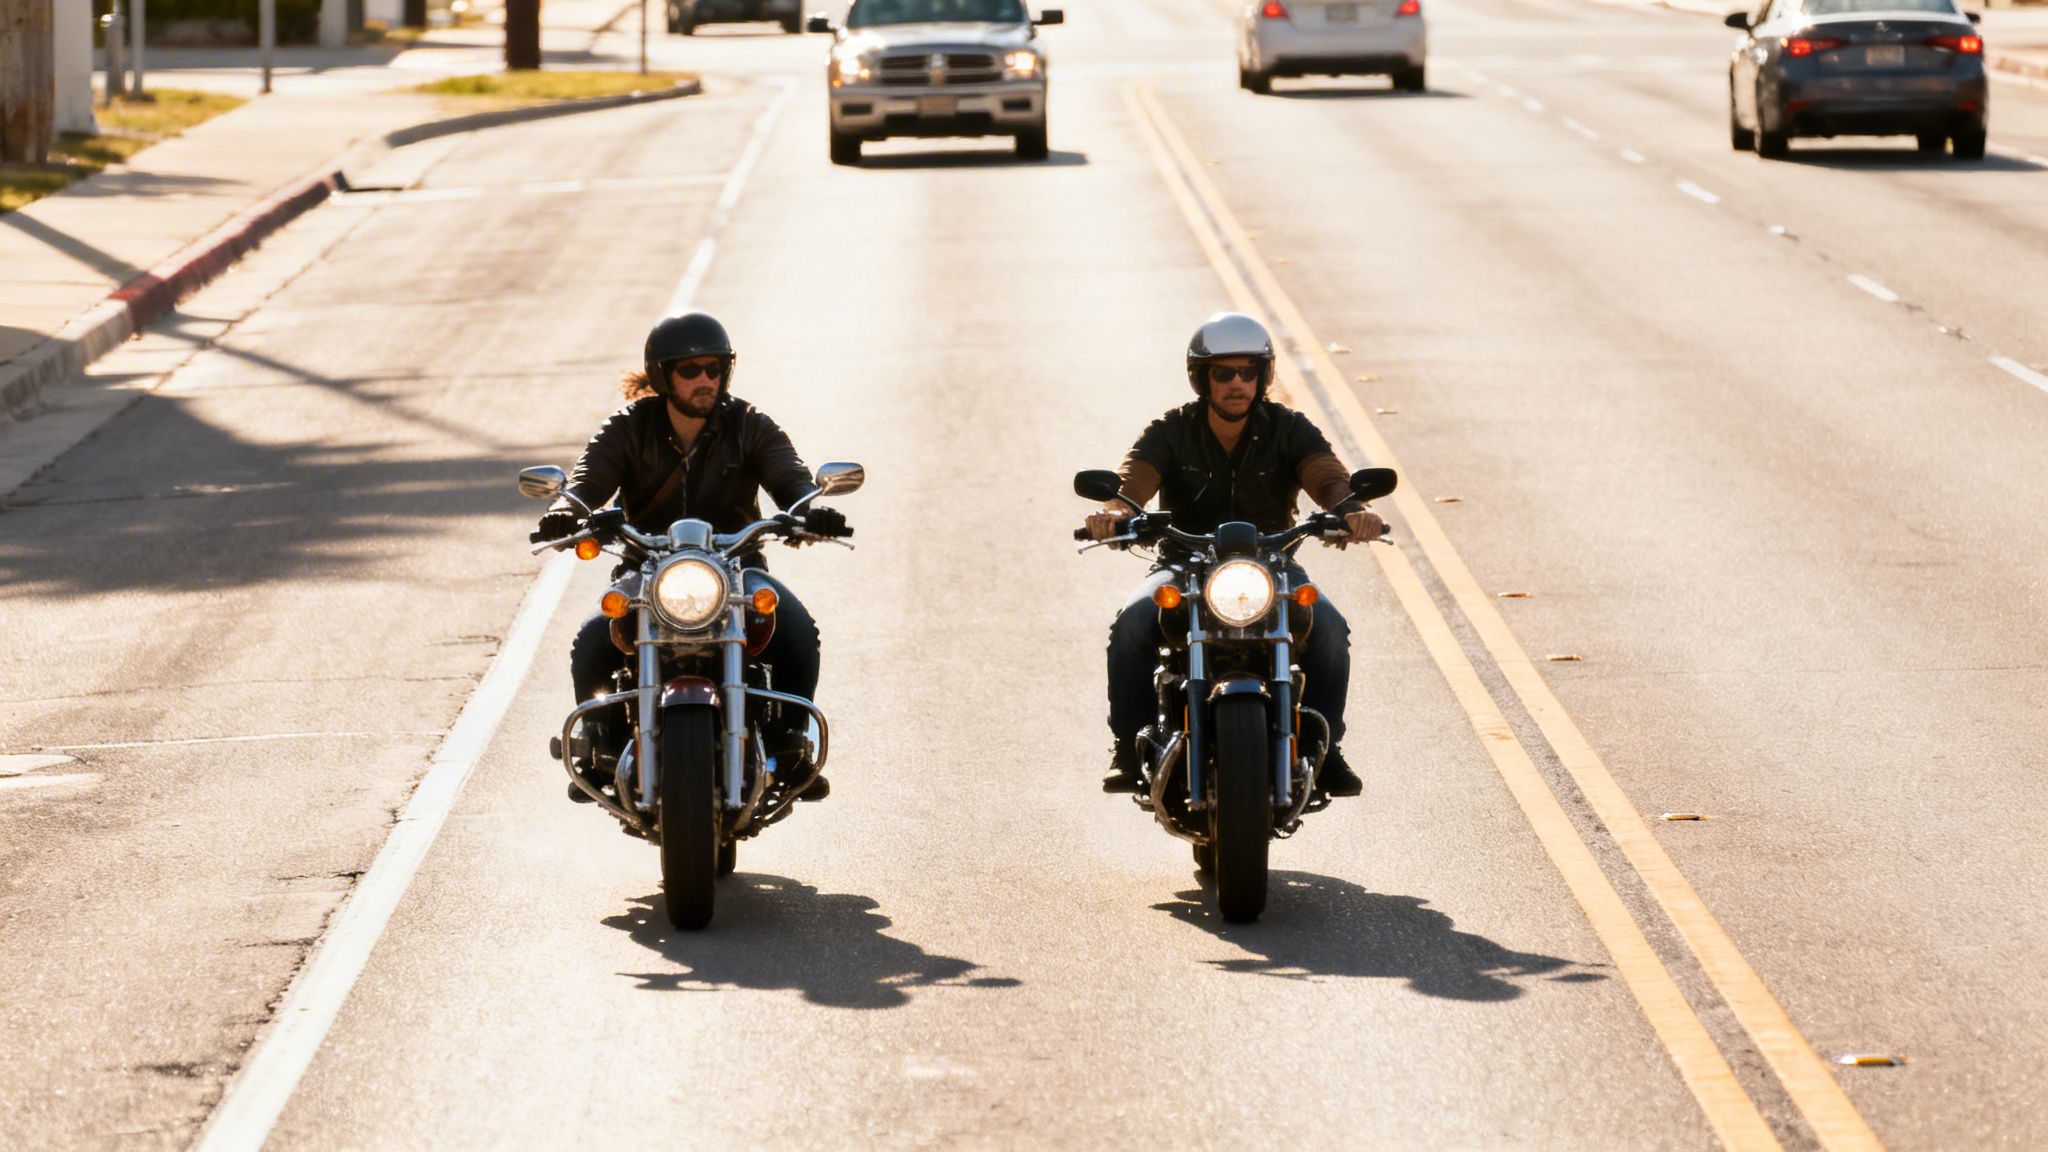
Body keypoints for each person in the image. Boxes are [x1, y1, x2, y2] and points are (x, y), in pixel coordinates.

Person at [532, 312, 846, 803]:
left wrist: (813, 508)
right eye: (691, 369)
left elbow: (793, 478)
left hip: (737, 566)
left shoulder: (749, 425)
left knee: (798, 630)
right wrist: (564, 511)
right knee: (593, 639)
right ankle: (597, 746)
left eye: (714, 367)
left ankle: (790, 744)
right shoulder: (629, 428)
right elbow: (587, 480)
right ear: (662, 375)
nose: (705, 379)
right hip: (647, 568)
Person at [1086, 312, 1386, 797]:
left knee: (1329, 629)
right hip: (1185, 564)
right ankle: (1126, 746)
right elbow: (1131, 481)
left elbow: (1327, 476)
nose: (1236, 383)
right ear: (1202, 377)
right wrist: (1116, 511)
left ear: (1263, 377)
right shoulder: (1171, 430)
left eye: (1248, 372)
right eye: (1223, 372)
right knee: (1131, 624)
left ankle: (1324, 750)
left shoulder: (1288, 428)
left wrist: (1353, 509)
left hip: (1273, 564)